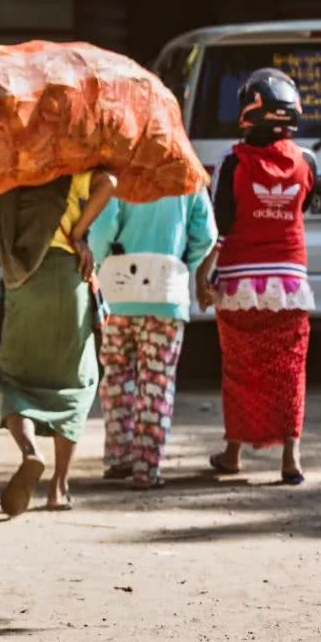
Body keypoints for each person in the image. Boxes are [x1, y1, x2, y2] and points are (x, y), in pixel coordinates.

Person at [197, 68, 315, 486]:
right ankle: (291, 458)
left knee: (241, 370)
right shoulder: (307, 161)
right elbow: (301, 209)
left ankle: (233, 453)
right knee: (289, 369)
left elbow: (220, 225)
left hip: (240, 283)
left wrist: (203, 275)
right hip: (290, 285)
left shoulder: (232, 163)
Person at [0, 169, 116, 514]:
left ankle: (30, 452)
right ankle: (58, 488)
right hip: (67, 274)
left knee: (15, 378)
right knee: (75, 382)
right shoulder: (67, 160)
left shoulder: (6, 165)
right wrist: (78, 231)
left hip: (21, 280)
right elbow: (109, 183)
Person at [89, 190, 217, 489]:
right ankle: (147, 468)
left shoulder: (124, 170)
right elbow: (207, 235)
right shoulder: (188, 177)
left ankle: (119, 456)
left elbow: (103, 229)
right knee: (157, 382)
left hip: (118, 294)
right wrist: (189, 261)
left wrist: (99, 262)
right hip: (167, 293)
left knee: (116, 376)